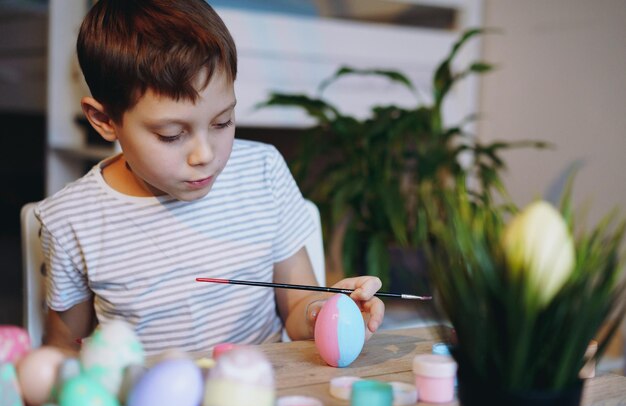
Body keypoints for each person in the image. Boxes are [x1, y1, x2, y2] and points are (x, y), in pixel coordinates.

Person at [36, 0, 385, 356]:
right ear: (104, 120)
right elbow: (63, 348)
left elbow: (298, 308)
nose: (205, 155)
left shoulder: (263, 173)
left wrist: (325, 314)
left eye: (222, 123)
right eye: (171, 135)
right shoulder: (72, 219)